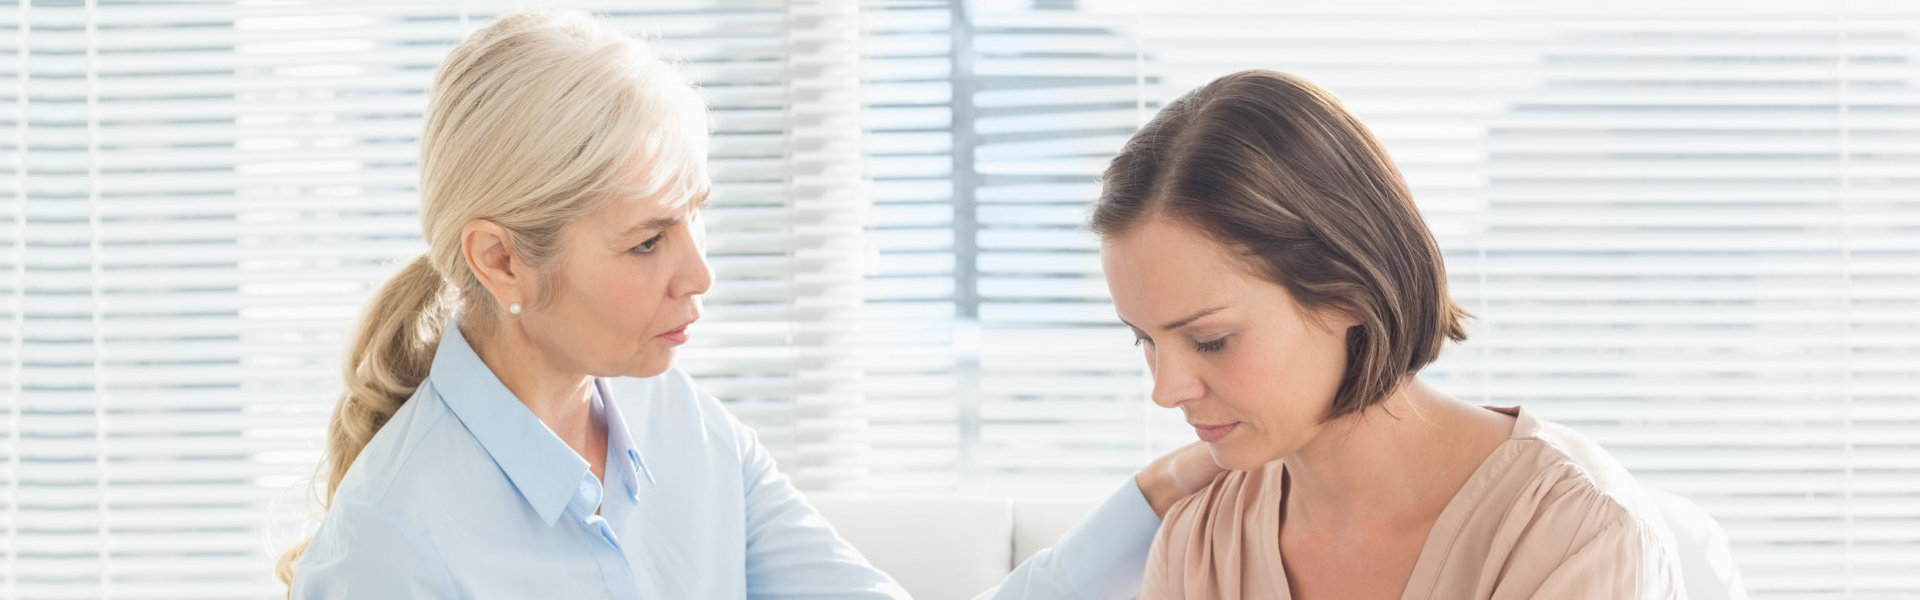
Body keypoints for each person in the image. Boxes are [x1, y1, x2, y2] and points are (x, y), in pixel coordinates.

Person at [277, 11, 1222, 599]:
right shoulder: (388, 549)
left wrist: (1153, 500)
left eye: (693, 220)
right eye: (647, 241)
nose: (699, 274)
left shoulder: (686, 431)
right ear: (502, 263)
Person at [1090, 69, 1685, 599]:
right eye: (1142, 339)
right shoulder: (1201, 540)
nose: (1165, 391)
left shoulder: (1575, 533)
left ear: (1348, 290)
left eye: (1210, 340)